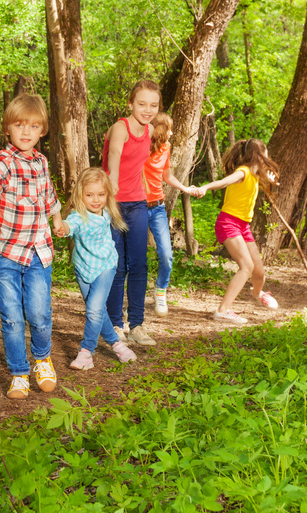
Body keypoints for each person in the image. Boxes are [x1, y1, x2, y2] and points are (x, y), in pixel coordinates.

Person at [0, 93, 65, 400]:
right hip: (5, 252)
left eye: (33, 126)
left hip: (38, 253)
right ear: (8, 129)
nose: (26, 132)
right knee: (13, 317)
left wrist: (57, 220)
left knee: (39, 313)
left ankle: (42, 359)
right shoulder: (3, 160)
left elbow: (49, 196)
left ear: (42, 129)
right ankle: (19, 372)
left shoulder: (41, 162)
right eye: (19, 125)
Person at [55, 168, 139, 370]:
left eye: (101, 194)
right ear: (80, 195)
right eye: (89, 195)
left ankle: (86, 353)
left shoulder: (107, 212)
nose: (95, 200)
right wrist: (62, 228)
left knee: (93, 310)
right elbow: (68, 226)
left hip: (106, 265)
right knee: (97, 311)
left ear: (107, 195)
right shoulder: (78, 216)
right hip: (83, 269)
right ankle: (118, 346)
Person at [194, 139, 281, 324]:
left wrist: (271, 178)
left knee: (259, 271)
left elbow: (266, 176)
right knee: (246, 267)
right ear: (258, 156)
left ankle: (258, 294)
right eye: (265, 155)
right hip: (228, 223)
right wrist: (206, 187)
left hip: (243, 226)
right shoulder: (243, 171)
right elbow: (224, 182)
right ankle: (222, 311)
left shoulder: (256, 174)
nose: (267, 159)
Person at [101, 80, 160, 346]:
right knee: (117, 265)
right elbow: (114, 152)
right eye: (142, 104)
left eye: (153, 105)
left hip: (137, 202)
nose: (147, 110)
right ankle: (115, 323)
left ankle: (136, 325)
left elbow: (141, 165)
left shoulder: (149, 130)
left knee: (139, 264)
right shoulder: (120, 127)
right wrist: (112, 178)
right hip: (112, 202)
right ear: (130, 104)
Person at [143, 112, 200, 316]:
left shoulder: (166, 148)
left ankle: (160, 292)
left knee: (166, 255)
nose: (172, 133)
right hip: (137, 207)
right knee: (135, 257)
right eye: (170, 129)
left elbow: (166, 175)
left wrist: (185, 188)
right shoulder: (140, 148)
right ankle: (133, 299)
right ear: (160, 130)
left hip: (157, 208)